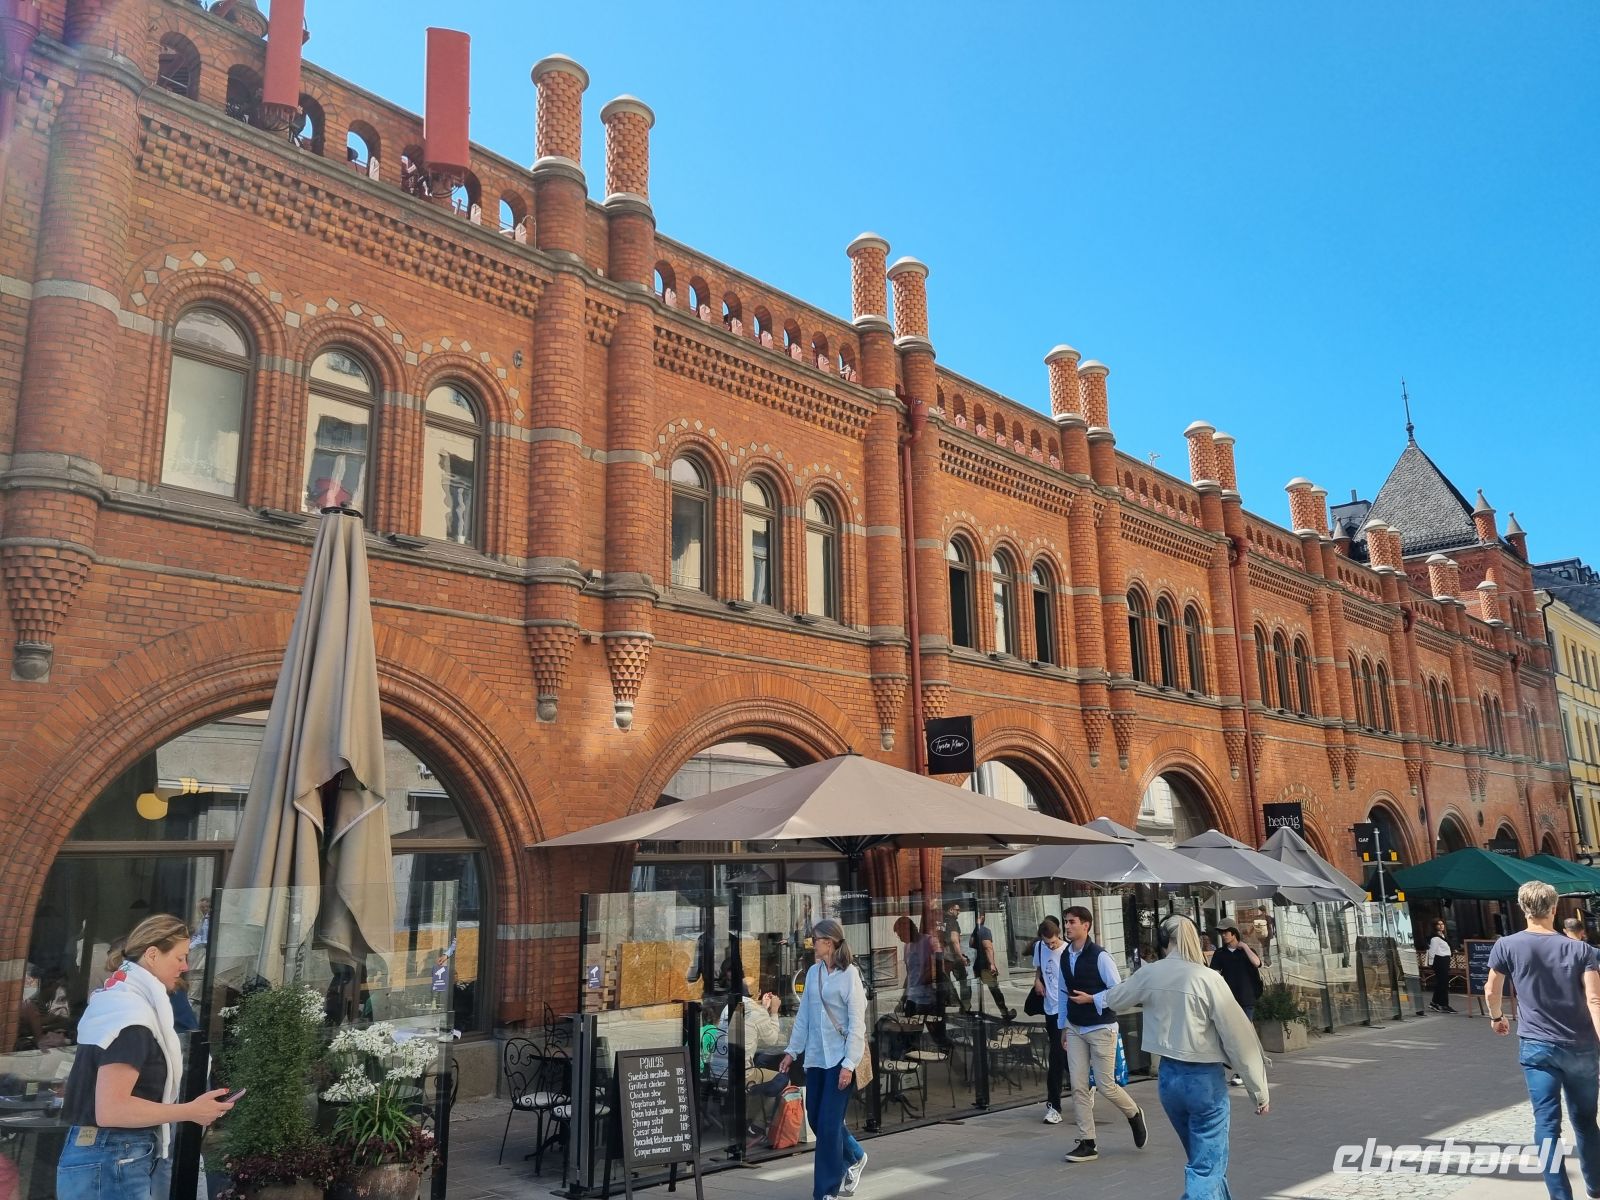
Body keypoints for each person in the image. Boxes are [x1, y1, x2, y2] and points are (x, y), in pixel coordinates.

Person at [1071, 915, 1268, 1198]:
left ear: (1163, 941)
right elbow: (1240, 1038)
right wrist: (1259, 1090)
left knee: (1203, 1161)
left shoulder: (1150, 973)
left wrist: (1094, 999)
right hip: (1203, 1081)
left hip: (1168, 1080)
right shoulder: (1208, 978)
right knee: (1206, 1166)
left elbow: (1117, 997)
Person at [57, 915, 235, 1200]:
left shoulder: (119, 1004)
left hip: (110, 1153)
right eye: (180, 957)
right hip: (114, 1154)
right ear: (153, 954)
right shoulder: (131, 1016)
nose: (185, 966)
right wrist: (190, 1111)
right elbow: (112, 1109)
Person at [1486, 880, 1600, 1200]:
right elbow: (1595, 1001)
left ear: (1522, 908)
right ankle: (1595, 1185)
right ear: (1553, 909)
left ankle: (1560, 1196)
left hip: (1537, 1047)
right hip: (1581, 1046)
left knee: (1547, 1125)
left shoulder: (1506, 946)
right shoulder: (1582, 950)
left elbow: (1491, 990)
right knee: (1585, 1121)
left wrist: (1497, 1017)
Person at [779, 918, 869, 1200]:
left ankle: (825, 1192)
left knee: (829, 1126)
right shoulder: (815, 973)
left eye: (815, 939)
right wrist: (792, 1052)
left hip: (841, 1060)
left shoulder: (850, 976)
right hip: (816, 1059)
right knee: (817, 1120)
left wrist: (848, 1065)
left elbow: (857, 1024)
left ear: (828, 943)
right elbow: (804, 1016)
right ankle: (854, 1155)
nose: (812, 943)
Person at [1057, 906, 1146, 1162]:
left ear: (1086, 925)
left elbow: (1119, 992)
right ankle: (1088, 1142)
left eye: (1072, 922)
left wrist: (1092, 999)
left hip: (1101, 1028)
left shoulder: (1100, 956)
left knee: (1106, 1085)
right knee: (1078, 1085)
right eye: (1066, 922)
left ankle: (1134, 1113)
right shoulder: (1065, 956)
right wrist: (1064, 1026)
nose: (1067, 926)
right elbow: (1064, 994)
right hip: (1075, 1028)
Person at [1209, 919, 1264, 1086]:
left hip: (1247, 999)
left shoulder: (1246, 951)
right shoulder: (1220, 954)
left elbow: (1257, 963)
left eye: (1226, 932)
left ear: (1234, 933)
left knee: (1243, 1036)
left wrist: (1245, 947)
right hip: (1229, 1001)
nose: (1224, 935)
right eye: (1221, 933)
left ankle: (1244, 1071)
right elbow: (1214, 975)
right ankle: (1248, 1067)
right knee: (1234, 1036)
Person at [1029, 916, 1070, 1126]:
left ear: (1059, 935)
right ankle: (1055, 1104)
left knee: (1059, 1055)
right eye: (1047, 943)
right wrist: (1037, 981)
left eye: (1053, 942)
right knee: (1058, 1054)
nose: (1050, 946)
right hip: (1050, 1009)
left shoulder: (1068, 951)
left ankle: (1056, 1104)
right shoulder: (1039, 947)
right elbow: (1038, 968)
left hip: (1067, 1011)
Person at [970, 910, 1016, 1020]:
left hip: (978, 965)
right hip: (986, 966)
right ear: (981, 917)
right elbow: (988, 947)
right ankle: (1005, 1013)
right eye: (983, 916)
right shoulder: (985, 931)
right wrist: (992, 964)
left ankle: (975, 1011)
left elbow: (971, 944)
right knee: (995, 990)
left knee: (979, 989)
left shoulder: (975, 931)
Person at [941, 900, 972, 1013]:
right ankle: (966, 1006)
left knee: (945, 981)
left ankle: (951, 1002)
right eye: (957, 910)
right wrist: (961, 957)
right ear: (951, 910)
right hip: (954, 957)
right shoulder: (953, 922)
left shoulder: (942, 921)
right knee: (964, 981)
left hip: (944, 957)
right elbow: (954, 941)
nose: (959, 912)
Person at [1428, 919, 1458, 1013]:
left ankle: (1434, 1002)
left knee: (1441, 983)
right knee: (1443, 983)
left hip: (1445, 960)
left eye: (1442, 924)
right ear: (1435, 926)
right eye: (1438, 924)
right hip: (1440, 960)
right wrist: (1431, 963)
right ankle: (1444, 1004)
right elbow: (1432, 952)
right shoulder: (1435, 938)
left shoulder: (1443, 936)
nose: (1441, 926)